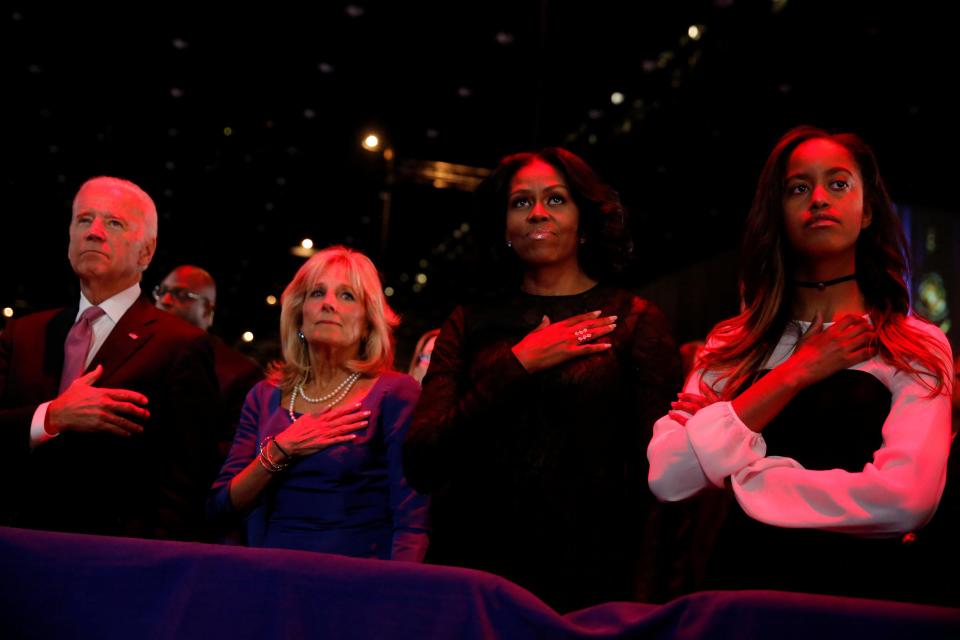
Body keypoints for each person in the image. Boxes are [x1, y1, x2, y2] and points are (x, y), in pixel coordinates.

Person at [647, 127, 953, 602]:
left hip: (864, 601)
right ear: (779, 212)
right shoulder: (731, 343)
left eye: (838, 184)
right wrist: (796, 372)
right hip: (742, 595)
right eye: (798, 187)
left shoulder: (914, 344)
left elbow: (906, 501)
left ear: (867, 210)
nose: (818, 199)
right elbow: (669, 477)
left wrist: (748, 482)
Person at [403, 148, 682, 611]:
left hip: (591, 581)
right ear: (505, 228)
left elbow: (658, 484)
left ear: (584, 220)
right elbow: (423, 461)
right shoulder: (469, 322)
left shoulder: (633, 320)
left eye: (556, 200)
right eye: (520, 202)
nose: (537, 213)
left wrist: (647, 602)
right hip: (474, 575)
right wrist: (518, 365)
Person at [0, 176, 221, 540]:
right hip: (15, 551)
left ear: (146, 253)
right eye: (84, 220)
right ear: (70, 238)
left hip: (114, 560)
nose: (94, 232)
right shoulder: (22, 335)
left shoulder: (181, 345)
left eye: (114, 223)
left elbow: (187, 480)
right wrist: (51, 417)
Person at [209, 246, 428, 561]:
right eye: (317, 294)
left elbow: (412, 521)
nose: (328, 304)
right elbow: (221, 506)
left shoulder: (395, 393)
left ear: (369, 322)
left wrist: (398, 596)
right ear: (299, 316)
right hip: (267, 575)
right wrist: (281, 449)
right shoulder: (263, 395)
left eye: (347, 296)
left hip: (355, 582)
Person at [154, 265, 263, 456]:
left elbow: (234, 450)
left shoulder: (239, 372)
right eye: (162, 291)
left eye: (181, 294)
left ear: (207, 309)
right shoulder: (140, 350)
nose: (165, 300)